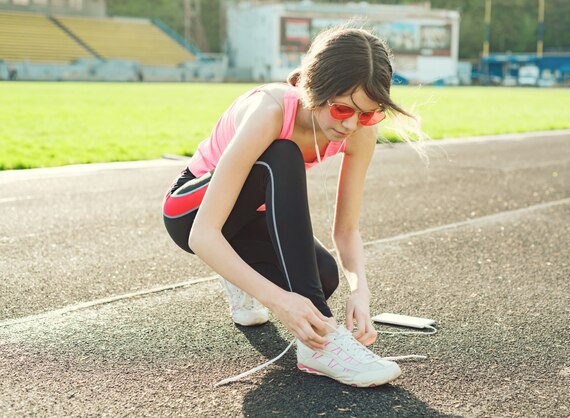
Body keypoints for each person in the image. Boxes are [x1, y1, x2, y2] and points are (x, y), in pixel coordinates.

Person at [162, 26, 420, 388]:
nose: (350, 124)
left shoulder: (359, 130)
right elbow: (203, 236)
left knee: (325, 276)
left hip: (252, 219)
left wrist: (360, 290)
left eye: (367, 114)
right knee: (283, 153)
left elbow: (346, 230)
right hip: (191, 212)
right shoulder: (270, 110)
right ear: (315, 88)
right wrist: (280, 302)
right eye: (342, 108)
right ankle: (321, 346)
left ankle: (239, 276)